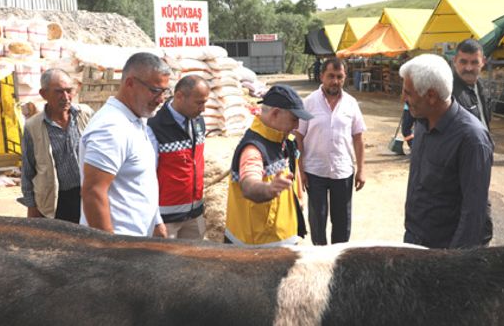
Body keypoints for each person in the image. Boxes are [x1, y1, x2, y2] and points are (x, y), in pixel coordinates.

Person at [400, 54, 494, 249]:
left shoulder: (471, 139)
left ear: (431, 96)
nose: (404, 99)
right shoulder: (422, 124)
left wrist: (453, 265)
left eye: (408, 93)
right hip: (415, 242)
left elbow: (474, 213)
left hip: (446, 255)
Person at [80, 52, 171, 237]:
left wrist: (156, 222)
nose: (161, 99)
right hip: (120, 248)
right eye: (155, 91)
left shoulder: (136, 120)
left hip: (135, 245)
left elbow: (139, 181)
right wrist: (110, 249)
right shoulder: (111, 128)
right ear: (130, 83)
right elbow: (93, 192)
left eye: (164, 92)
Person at [225, 85, 313, 247]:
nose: (297, 126)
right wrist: (268, 189)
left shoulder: (283, 141)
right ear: (275, 114)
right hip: (259, 249)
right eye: (294, 119)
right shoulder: (253, 150)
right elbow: (249, 185)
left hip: (279, 239)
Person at [296, 58, 366, 245]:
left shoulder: (351, 103)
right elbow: (299, 138)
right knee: (317, 221)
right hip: (315, 171)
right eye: (331, 76)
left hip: (343, 171)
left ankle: (339, 262)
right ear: (322, 77)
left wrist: (361, 169)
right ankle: (320, 259)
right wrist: (300, 171)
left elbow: (358, 138)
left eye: (340, 77)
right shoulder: (309, 103)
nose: (335, 81)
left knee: (342, 221)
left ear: (345, 78)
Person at [18, 69, 93, 223]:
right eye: (59, 92)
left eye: (68, 91)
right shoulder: (33, 127)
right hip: (55, 201)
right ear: (44, 94)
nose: (65, 97)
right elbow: (28, 171)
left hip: (87, 195)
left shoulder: (85, 114)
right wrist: (32, 207)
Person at [147, 75, 210, 239]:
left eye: (205, 102)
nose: (203, 109)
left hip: (194, 216)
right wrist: (155, 220)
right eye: (199, 102)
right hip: (166, 220)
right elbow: (146, 177)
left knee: (195, 262)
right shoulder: (154, 127)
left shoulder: (198, 122)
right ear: (180, 96)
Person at [452, 38, 491, 129]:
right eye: (463, 62)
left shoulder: (481, 87)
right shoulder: (448, 93)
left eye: (474, 62)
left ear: (483, 62)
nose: (469, 68)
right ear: (454, 61)